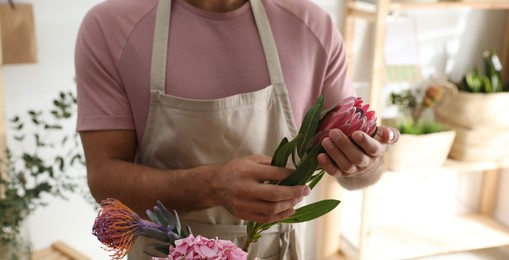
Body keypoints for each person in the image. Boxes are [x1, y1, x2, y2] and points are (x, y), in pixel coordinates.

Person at [75, 0, 399, 259]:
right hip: (164, 251)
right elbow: (104, 178)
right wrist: (211, 186)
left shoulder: (313, 26)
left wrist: (366, 161)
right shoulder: (110, 26)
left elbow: (360, 176)